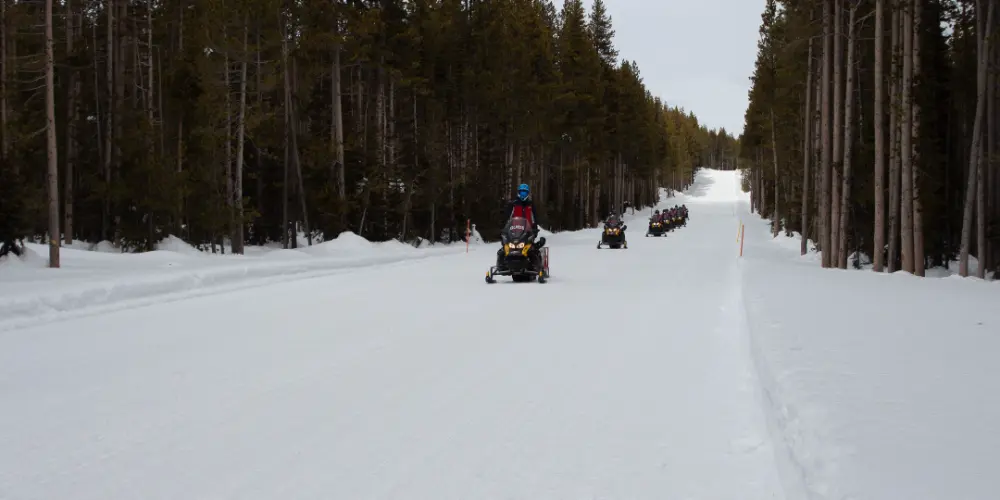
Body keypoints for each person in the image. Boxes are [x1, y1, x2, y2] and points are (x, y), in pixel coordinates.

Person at [497, 183, 544, 269]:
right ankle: (501, 265)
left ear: (528, 193)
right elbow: (507, 218)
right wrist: (504, 228)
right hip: (514, 231)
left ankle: (537, 266)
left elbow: (534, 218)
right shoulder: (513, 204)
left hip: (528, 231)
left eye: (525, 193)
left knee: (532, 249)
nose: (523, 194)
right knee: (505, 248)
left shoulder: (530, 205)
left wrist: (535, 228)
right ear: (518, 192)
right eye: (522, 192)